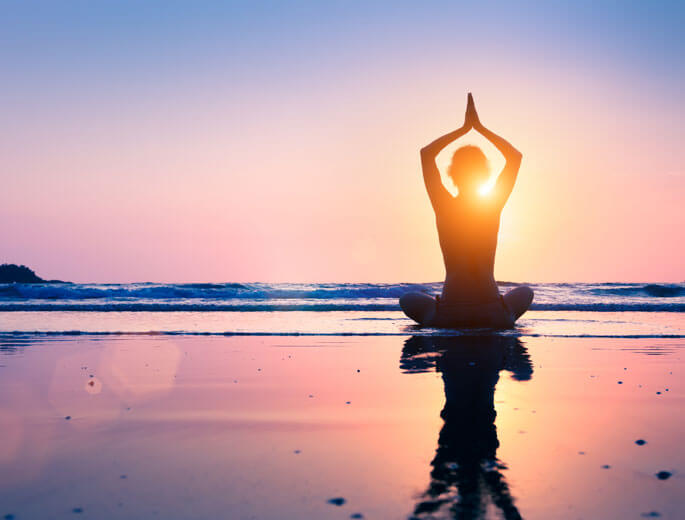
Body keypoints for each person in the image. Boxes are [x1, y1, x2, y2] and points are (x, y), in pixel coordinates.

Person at [400, 93, 533, 328]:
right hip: (493, 313)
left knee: (407, 298)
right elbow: (515, 157)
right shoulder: (491, 205)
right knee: (525, 293)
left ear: (452, 174)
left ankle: (441, 311)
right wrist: (479, 128)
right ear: (484, 174)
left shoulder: (444, 205)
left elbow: (426, 154)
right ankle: (504, 316)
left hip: (449, 313)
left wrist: (463, 129)